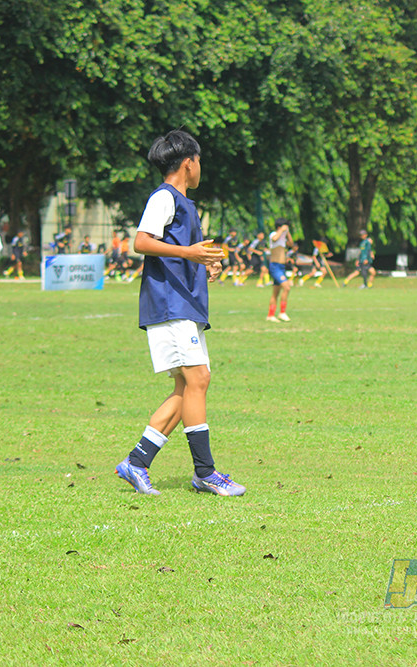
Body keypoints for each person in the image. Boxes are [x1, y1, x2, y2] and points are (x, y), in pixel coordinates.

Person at [114, 129, 245, 497]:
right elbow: (141, 241)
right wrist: (191, 254)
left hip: (184, 303)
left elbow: (182, 250)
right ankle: (205, 472)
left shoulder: (187, 205)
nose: (200, 167)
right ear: (189, 162)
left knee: (188, 386)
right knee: (199, 378)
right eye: (199, 161)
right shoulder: (164, 197)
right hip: (170, 304)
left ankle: (136, 462)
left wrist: (205, 265)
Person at [267, 218, 293, 322]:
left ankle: (270, 315)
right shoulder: (274, 234)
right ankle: (282, 312)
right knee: (287, 287)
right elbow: (274, 239)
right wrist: (281, 230)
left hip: (281, 267)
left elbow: (291, 244)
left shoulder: (283, 237)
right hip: (275, 266)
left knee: (275, 293)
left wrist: (287, 233)